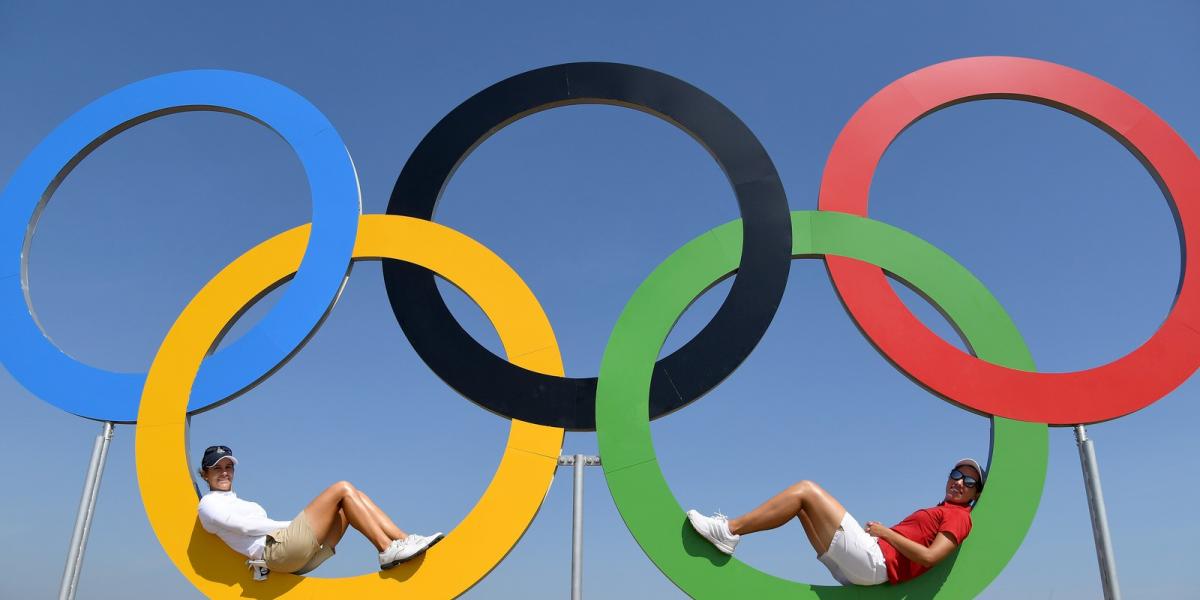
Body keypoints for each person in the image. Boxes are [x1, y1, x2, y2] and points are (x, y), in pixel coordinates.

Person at [687, 458, 983, 586]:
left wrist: (886, 534)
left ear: (975, 494)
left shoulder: (959, 517)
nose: (959, 482)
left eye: (968, 481)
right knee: (801, 508)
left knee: (805, 489)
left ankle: (729, 531)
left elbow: (931, 556)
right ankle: (729, 533)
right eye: (956, 474)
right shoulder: (944, 509)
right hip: (867, 565)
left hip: (875, 560)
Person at [196, 445, 443, 575]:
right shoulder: (209, 504)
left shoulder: (241, 502)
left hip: (296, 555)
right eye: (217, 468)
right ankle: (387, 549)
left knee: (354, 498)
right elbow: (245, 528)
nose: (225, 472)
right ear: (205, 474)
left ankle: (404, 540)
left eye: (228, 467)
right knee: (342, 488)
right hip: (277, 553)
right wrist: (290, 527)